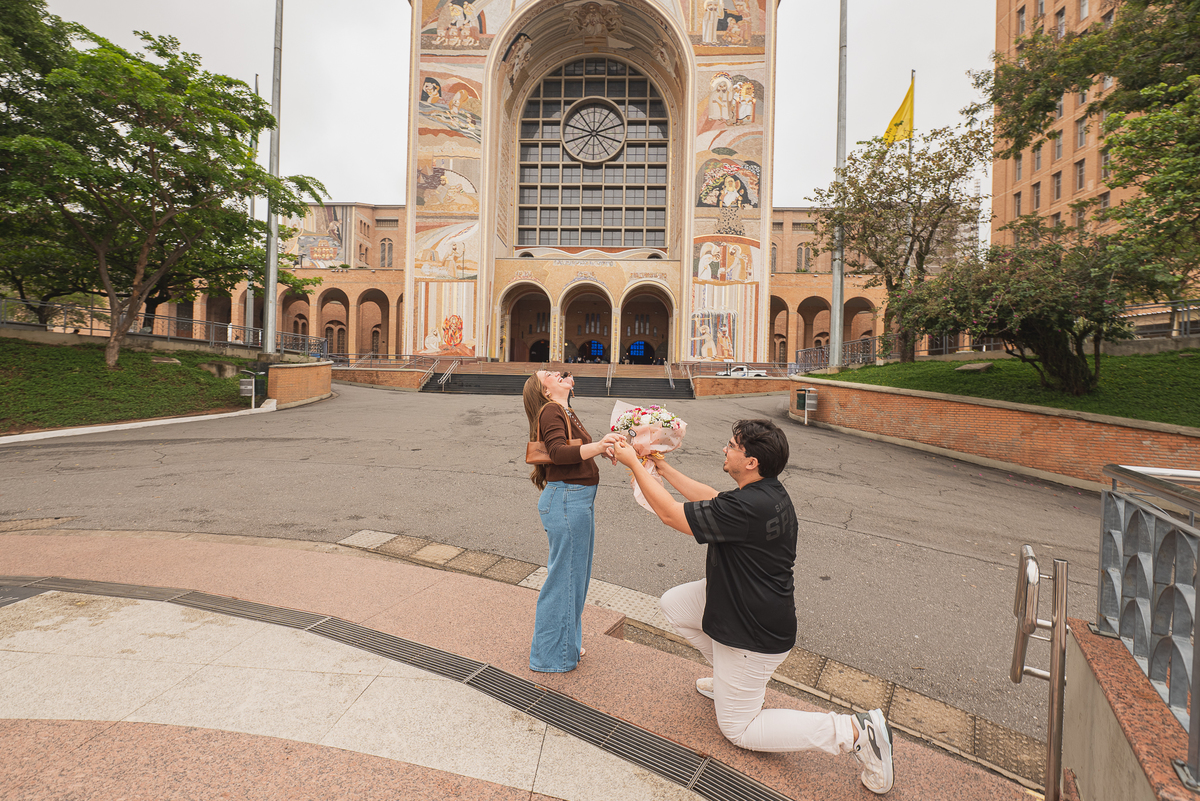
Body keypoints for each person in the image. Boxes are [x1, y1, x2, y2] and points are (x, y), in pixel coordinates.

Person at [612, 420, 895, 795]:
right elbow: (712, 498)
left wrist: (633, 464)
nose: (725, 449)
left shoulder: (750, 505)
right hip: (743, 602)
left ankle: (857, 732)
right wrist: (661, 468)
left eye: (731, 445)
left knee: (739, 730)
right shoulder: (764, 493)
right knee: (675, 605)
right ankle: (732, 682)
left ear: (751, 461)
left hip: (753, 630)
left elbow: (671, 515)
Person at [522, 370, 623, 673]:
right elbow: (558, 453)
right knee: (564, 581)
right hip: (567, 502)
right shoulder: (551, 410)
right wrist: (601, 446)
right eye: (550, 374)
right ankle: (550, 657)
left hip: (575, 501)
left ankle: (565, 645)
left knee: (573, 580)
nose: (560, 373)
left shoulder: (564, 410)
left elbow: (574, 451)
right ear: (545, 390)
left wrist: (602, 451)